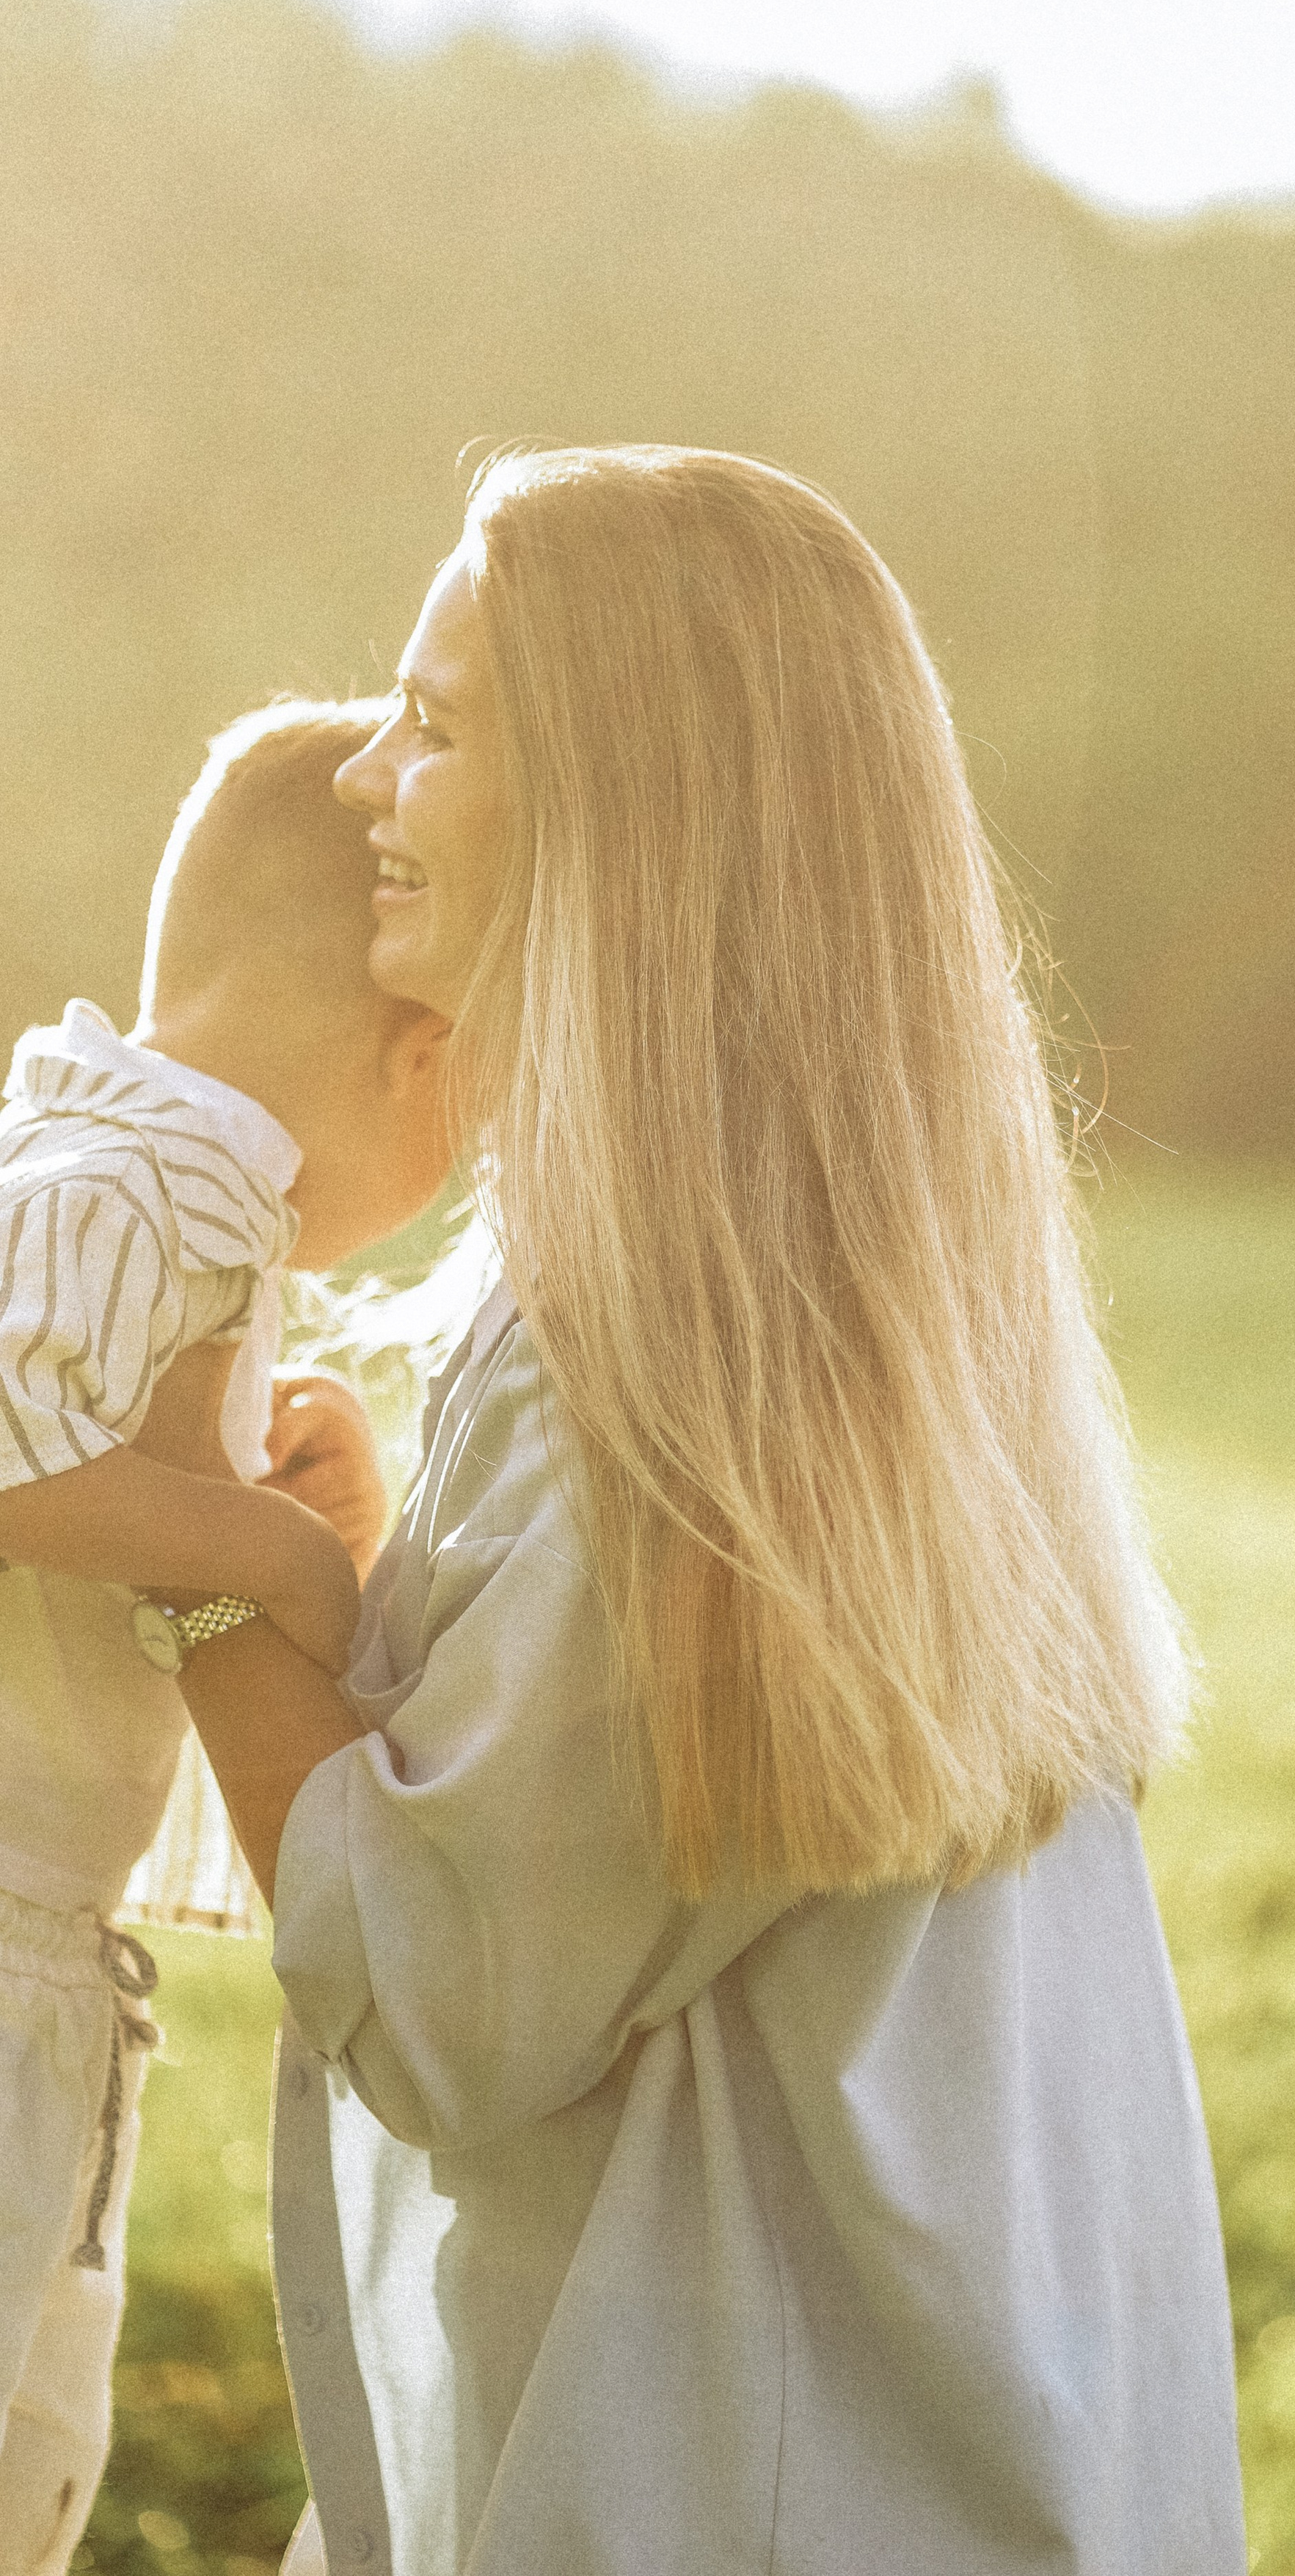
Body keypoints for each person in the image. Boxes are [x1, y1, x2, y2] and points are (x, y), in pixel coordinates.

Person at [173, 448, 1248, 2575]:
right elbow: (611, 1835)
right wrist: (389, 1600)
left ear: (623, 820)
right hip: (939, 2459)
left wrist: (212, 1591)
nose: (370, 781)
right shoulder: (845, 1309)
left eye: (440, 724)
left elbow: (453, 1997)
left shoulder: (651, 1375)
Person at [0, 700, 451, 2576]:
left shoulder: (142, 1177)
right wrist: (257, 1546)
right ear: (418, 1049)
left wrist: (270, 1501)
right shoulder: (141, 1183)